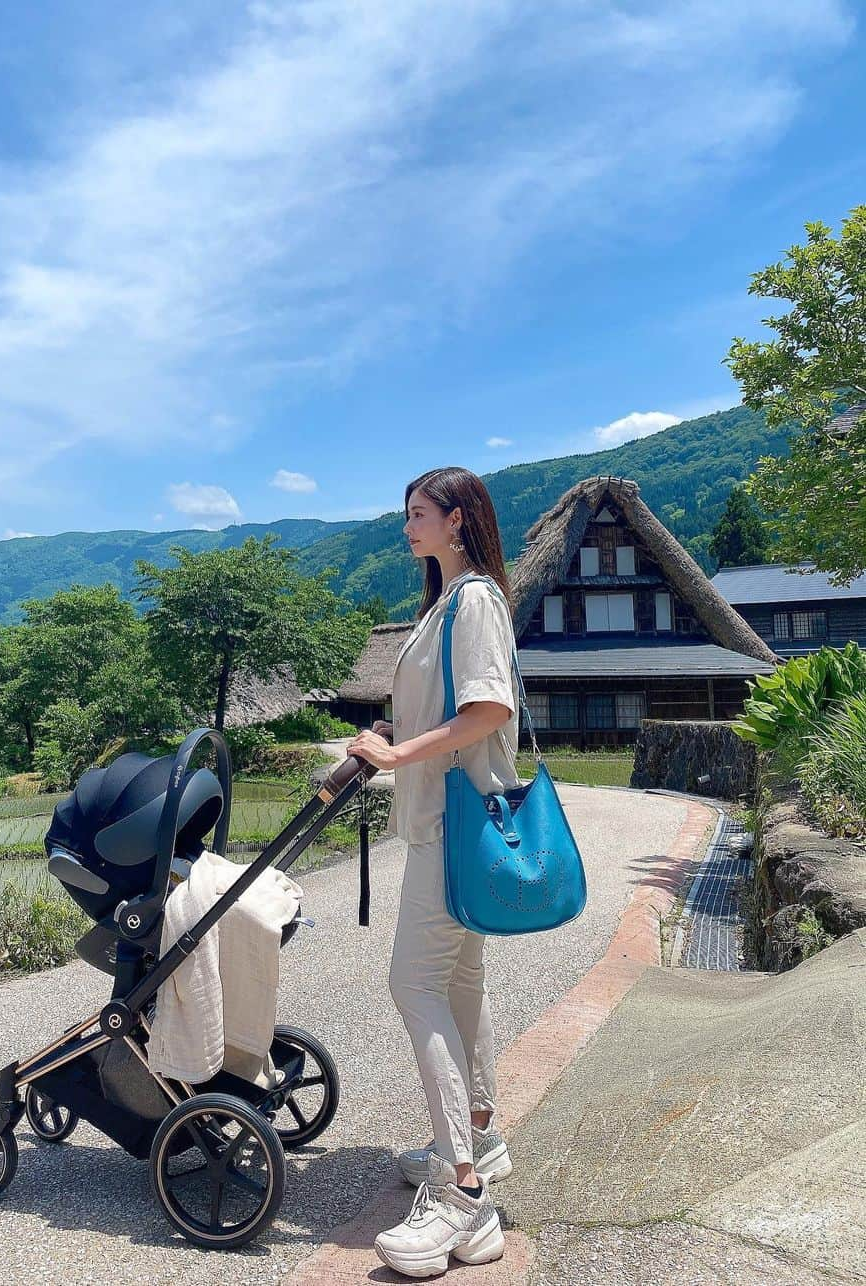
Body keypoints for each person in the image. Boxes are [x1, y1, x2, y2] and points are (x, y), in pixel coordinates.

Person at [345, 466, 519, 1278]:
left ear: (457, 520)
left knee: (413, 985)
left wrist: (398, 752)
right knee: (458, 985)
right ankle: (478, 1135)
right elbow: (444, 707)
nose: (406, 526)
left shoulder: (474, 599)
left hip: (452, 828)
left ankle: (461, 1195)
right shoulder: (446, 603)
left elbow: (488, 712)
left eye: (417, 513)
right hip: (452, 824)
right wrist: (392, 735)